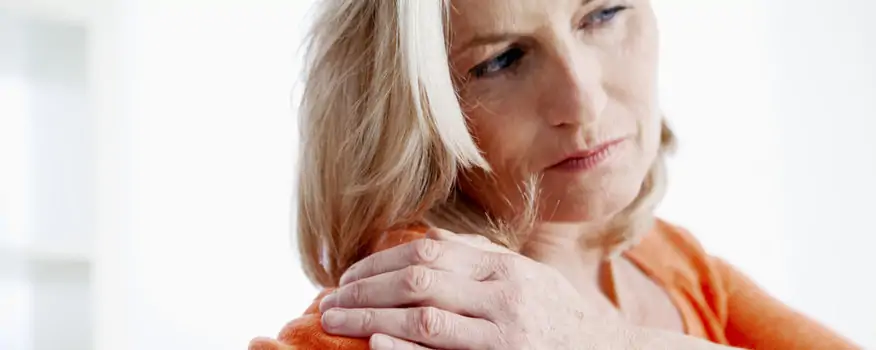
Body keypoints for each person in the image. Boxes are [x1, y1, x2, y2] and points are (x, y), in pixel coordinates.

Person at [250, 0, 858, 349]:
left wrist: (604, 341)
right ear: (413, 109)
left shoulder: (666, 259)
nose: (584, 102)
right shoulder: (422, 305)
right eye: (502, 60)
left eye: (604, 13)